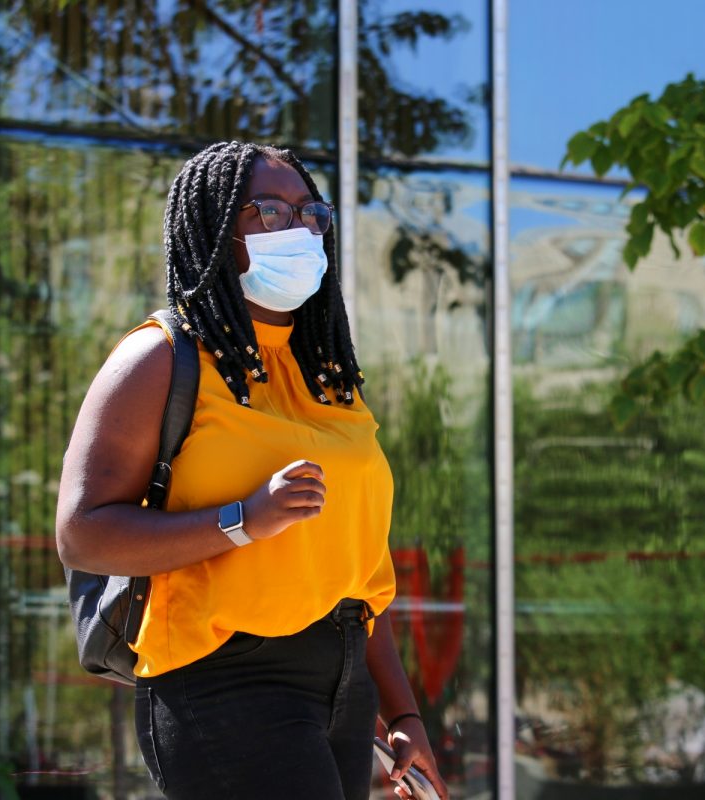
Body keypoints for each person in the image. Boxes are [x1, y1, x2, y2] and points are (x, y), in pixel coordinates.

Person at [56, 141, 449, 800]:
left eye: (309, 213)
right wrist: (243, 521)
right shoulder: (161, 359)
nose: (295, 228)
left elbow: (359, 570)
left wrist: (404, 712)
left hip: (345, 680)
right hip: (224, 680)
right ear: (214, 229)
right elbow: (84, 534)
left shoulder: (331, 379)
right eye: (267, 211)